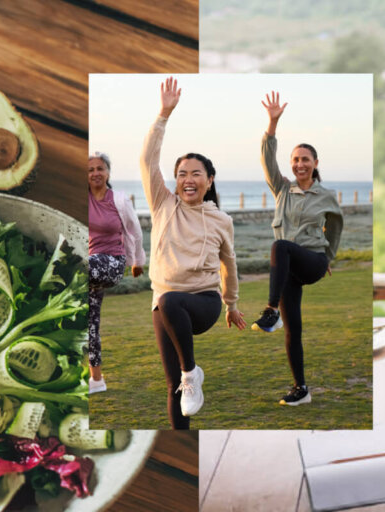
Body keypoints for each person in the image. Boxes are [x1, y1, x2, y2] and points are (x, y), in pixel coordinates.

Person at [141, 77, 246, 430]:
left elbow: (229, 264)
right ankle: (183, 423)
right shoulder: (162, 204)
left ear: (209, 180)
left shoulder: (221, 220)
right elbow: (147, 160)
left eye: (196, 173)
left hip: (203, 303)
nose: (188, 179)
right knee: (174, 388)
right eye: (182, 173)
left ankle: (192, 371)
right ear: (175, 181)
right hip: (164, 304)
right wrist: (163, 115)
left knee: (171, 301)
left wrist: (231, 304)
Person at [253, 91, 344, 407]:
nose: (299, 164)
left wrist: (328, 257)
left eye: (305, 159)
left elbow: (335, 227)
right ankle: (301, 389)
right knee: (293, 331)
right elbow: (267, 159)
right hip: (288, 270)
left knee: (280, 245)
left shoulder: (326, 196)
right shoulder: (282, 189)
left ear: (315, 164)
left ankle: (271, 310)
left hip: (313, 261)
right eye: (295, 159)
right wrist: (272, 124)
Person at [88, 151, 145, 394]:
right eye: (90, 170)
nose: (95, 173)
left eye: (100, 168)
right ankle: (97, 380)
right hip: (88, 266)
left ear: (108, 173)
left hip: (112, 262)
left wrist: (137, 261)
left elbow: (135, 231)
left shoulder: (119, 200)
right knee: (90, 323)